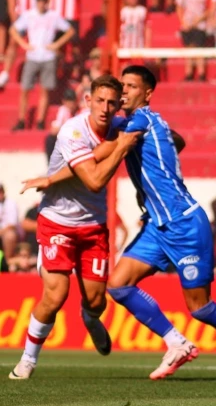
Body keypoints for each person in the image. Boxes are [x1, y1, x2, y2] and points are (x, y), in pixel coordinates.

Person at [102, 65, 216, 380]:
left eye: (131, 86)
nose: (125, 92)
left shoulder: (141, 119)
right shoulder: (147, 123)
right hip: (157, 226)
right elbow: (177, 140)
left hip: (185, 224)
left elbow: (104, 126)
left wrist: (90, 117)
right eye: (123, 86)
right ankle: (176, 342)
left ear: (147, 94)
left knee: (200, 308)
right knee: (118, 285)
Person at [9, 75, 139, 379]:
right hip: (58, 221)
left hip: (92, 227)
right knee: (55, 296)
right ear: (88, 101)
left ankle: (90, 319)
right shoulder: (73, 131)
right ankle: (27, 361)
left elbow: (160, 138)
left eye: (111, 102)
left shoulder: (121, 127)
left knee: (96, 301)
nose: (105, 108)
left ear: (119, 104)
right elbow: (94, 180)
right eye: (99, 101)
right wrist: (121, 148)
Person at [11, 0, 74, 132]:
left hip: (48, 56)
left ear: (47, 1)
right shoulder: (29, 15)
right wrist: (24, 44)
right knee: (25, 89)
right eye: (39, 0)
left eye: (43, 0)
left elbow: (70, 31)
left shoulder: (53, 16)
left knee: (44, 90)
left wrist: (56, 45)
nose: (41, 3)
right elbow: (13, 30)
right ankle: (21, 120)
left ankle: (40, 121)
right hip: (33, 55)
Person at [175, 0, 212, 81]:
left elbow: (210, 8)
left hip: (200, 24)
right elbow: (179, 7)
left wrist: (200, 19)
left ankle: (201, 73)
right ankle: (189, 72)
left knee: (199, 48)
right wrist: (183, 22)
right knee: (189, 48)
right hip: (187, 23)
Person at [0, 182, 20, 259]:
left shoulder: (11, 203)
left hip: (7, 232)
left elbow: (12, 225)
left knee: (10, 236)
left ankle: (7, 262)